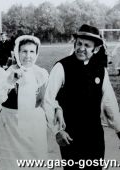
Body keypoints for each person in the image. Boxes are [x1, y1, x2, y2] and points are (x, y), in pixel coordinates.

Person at [44, 24, 120, 170]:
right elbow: (48, 100)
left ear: (96, 49)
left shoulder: (100, 70)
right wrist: (57, 131)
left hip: (95, 136)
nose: (81, 48)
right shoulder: (61, 67)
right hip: (70, 137)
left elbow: (109, 103)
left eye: (87, 45)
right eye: (79, 43)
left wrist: (119, 129)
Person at [0, 35, 61, 170]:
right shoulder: (6, 73)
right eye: (24, 51)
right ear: (17, 52)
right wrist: (9, 82)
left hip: (35, 126)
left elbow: (47, 102)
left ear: (36, 53)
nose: (28, 56)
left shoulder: (41, 74)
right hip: (10, 126)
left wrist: (57, 124)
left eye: (32, 52)